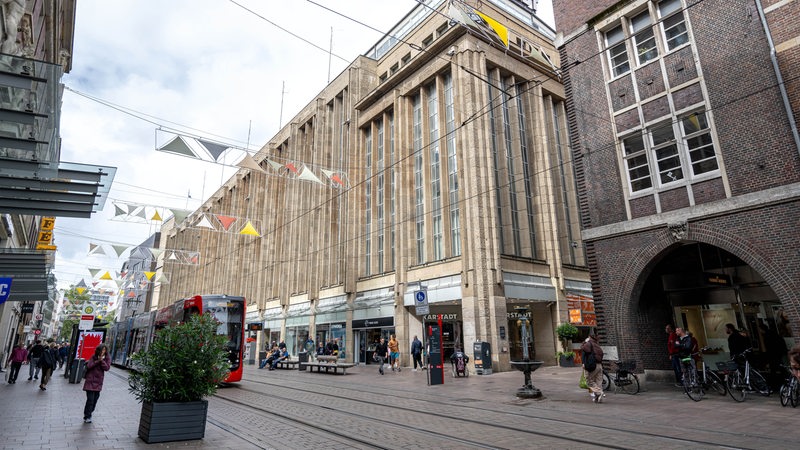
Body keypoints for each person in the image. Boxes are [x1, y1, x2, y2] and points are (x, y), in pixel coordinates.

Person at [83, 344, 111, 423]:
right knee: (90, 400)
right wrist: (97, 361)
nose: (103, 352)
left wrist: (101, 361)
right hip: (90, 381)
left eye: (104, 350)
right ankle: (87, 416)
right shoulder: (93, 357)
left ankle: (89, 413)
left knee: (95, 400)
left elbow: (107, 368)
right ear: (99, 350)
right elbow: (89, 366)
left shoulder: (107, 358)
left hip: (98, 382)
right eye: (102, 350)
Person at [580, 333, 604, 403]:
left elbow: (582, 348)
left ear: (590, 337)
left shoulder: (589, 343)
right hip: (599, 365)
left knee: (589, 381)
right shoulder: (597, 344)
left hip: (592, 365)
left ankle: (599, 392)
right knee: (598, 381)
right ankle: (598, 398)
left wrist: (585, 342)